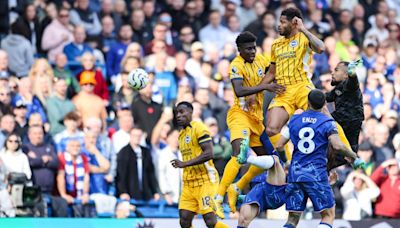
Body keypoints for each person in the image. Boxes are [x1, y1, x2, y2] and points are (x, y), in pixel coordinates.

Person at [212, 31, 284, 217]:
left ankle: (237, 187)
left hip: (257, 119)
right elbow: (239, 90)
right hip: (240, 116)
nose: (252, 51)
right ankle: (218, 198)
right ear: (239, 50)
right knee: (238, 154)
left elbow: (274, 72)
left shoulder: (260, 59)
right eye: (248, 48)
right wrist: (264, 86)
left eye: (254, 47)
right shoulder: (235, 65)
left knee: (271, 161)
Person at [278, 90, 360, 228]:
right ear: (324, 104)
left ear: (308, 102)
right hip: (316, 174)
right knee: (328, 215)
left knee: (292, 219)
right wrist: (353, 155)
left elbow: (279, 145)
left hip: (295, 174)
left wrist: (286, 161)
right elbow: (337, 145)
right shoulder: (327, 122)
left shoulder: (294, 120)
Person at [171, 102, 228, 228]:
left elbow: (209, 153)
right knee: (184, 221)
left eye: (182, 112)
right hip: (189, 183)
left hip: (206, 180)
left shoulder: (199, 128)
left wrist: (184, 164)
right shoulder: (181, 135)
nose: (178, 116)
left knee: (210, 221)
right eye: (176, 113)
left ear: (191, 112)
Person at [236, 139, 286, 228]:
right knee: (242, 220)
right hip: (258, 191)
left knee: (275, 160)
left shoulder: (278, 146)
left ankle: (248, 158)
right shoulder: (249, 167)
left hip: (276, 191)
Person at [326, 60, 364, 169]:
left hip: (351, 122)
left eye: (336, 70)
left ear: (346, 75)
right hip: (339, 121)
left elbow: (353, 82)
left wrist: (352, 73)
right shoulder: (338, 89)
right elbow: (326, 97)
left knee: (350, 149)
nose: (332, 73)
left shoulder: (349, 85)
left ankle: (353, 159)